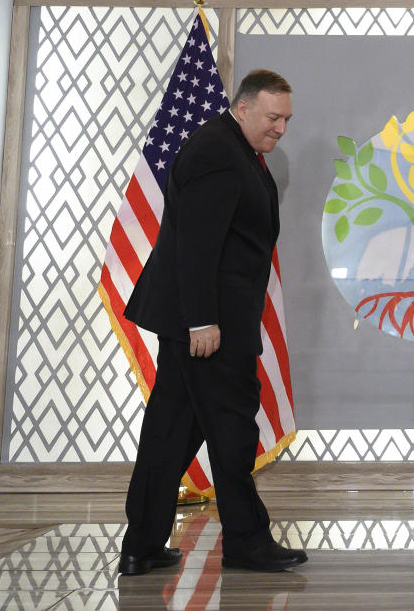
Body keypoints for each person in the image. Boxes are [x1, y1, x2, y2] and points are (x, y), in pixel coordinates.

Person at [119, 70, 306, 575]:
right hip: (207, 326)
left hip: (204, 321)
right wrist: (202, 320)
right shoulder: (216, 152)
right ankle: (246, 542)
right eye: (273, 117)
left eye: (287, 119)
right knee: (230, 430)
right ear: (242, 108)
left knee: (171, 433)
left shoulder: (235, 148)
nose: (281, 129)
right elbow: (198, 245)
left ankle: (141, 545)